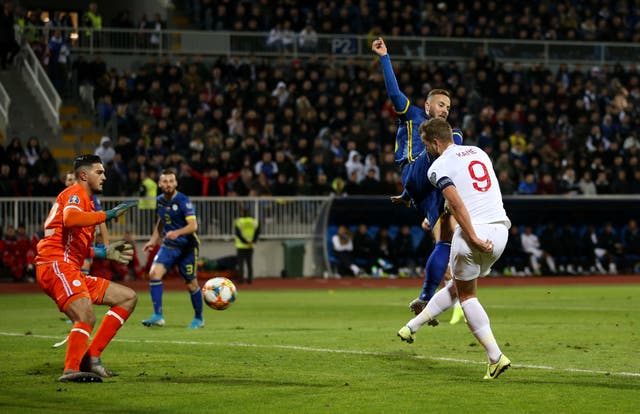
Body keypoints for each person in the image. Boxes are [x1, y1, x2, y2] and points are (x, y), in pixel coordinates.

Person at [397, 118, 512, 380]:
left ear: (435, 142)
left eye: (427, 144)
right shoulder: (479, 152)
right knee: (456, 288)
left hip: (475, 232)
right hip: (501, 230)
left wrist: (473, 236)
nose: (427, 149)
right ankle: (411, 327)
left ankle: (495, 357)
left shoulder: (437, 167)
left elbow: (458, 205)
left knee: (467, 296)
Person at [372, 37, 463, 321]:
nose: (445, 109)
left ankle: (426, 298)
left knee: (446, 243)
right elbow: (394, 91)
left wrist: (411, 197)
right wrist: (384, 57)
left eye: (448, 106)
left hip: (427, 190)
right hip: (414, 171)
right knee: (454, 143)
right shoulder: (411, 115)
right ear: (427, 106)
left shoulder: (448, 136)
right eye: (440, 104)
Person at [35, 154, 137, 382]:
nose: (104, 176)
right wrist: (108, 215)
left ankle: (92, 358)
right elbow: (70, 220)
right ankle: (71, 369)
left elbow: (73, 243)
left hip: (68, 266)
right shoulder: (75, 194)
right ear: (83, 175)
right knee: (85, 314)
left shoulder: (85, 200)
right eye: (99, 172)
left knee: (127, 298)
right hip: (55, 265)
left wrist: (103, 252)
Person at [142, 168, 204, 329]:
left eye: (171, 181)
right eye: (165, 181)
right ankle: (158, 316)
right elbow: (161, 221)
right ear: (160, 184)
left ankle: (199, 318)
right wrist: (153, 240)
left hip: (187, 247)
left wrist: (176, 232)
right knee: (154, 274)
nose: (168, 184)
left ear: (176, 183)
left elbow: (193, 226)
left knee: (191, 283)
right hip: (169, 245)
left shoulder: (183, 201)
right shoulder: (160, 200)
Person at [234, 207, 260, 284]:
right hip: (250, 246)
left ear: (242, 213)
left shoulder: (238, 221)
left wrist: (245, 242)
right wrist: (252, 241)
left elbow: (238, 234)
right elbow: (257, 232)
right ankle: (250, 280)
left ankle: (240, 280)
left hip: (241, 245)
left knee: (241, 264)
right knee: (249, 264)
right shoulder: (254, 221)